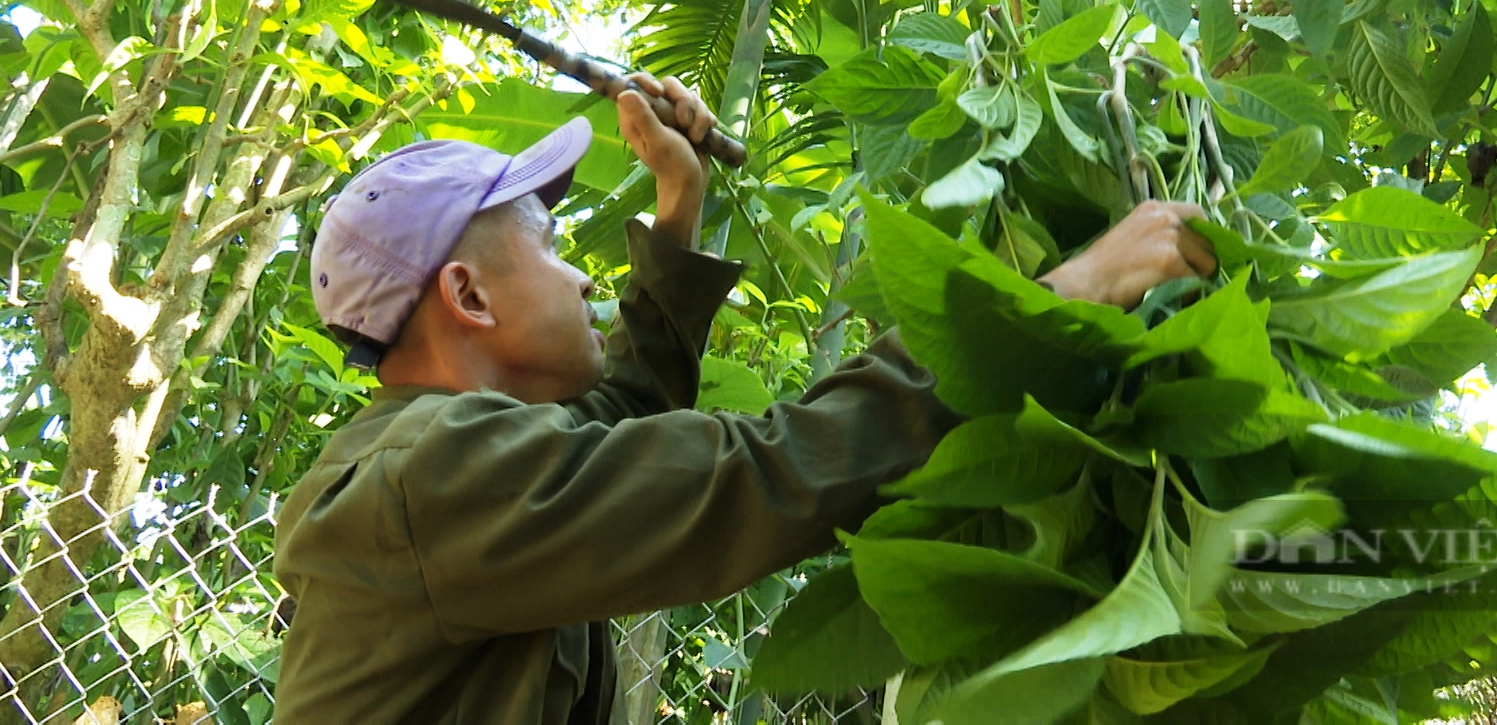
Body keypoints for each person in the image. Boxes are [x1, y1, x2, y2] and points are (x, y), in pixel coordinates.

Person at [271, 74, 1219, 723]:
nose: (580, 281)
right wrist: (1054, 300)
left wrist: (677, 208)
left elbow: (610, 439)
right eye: (553, 249)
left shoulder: (442, 461)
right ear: (468, 298)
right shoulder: (424, 475)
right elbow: (754, 473)